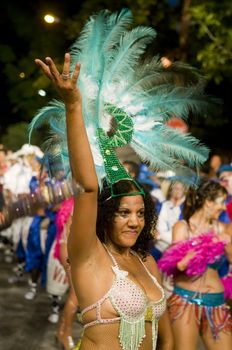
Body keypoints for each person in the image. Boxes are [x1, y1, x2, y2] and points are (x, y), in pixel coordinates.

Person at [32, 9, 213, 349]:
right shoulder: (89, 255)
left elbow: (167, 341)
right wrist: (73, 106)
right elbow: (87, 186)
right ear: (106, 215)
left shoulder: (146, 261)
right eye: (124, 212)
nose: (134, 221)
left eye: (140, 213)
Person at [158, 180, 232, 350]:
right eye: (221, 202)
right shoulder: (183, 227)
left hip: (217, 304)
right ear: (208, 201)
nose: (223, 207)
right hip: (185, 302)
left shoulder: (223, 228)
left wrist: (226, 243)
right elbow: (176, 265)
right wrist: (201, 247)